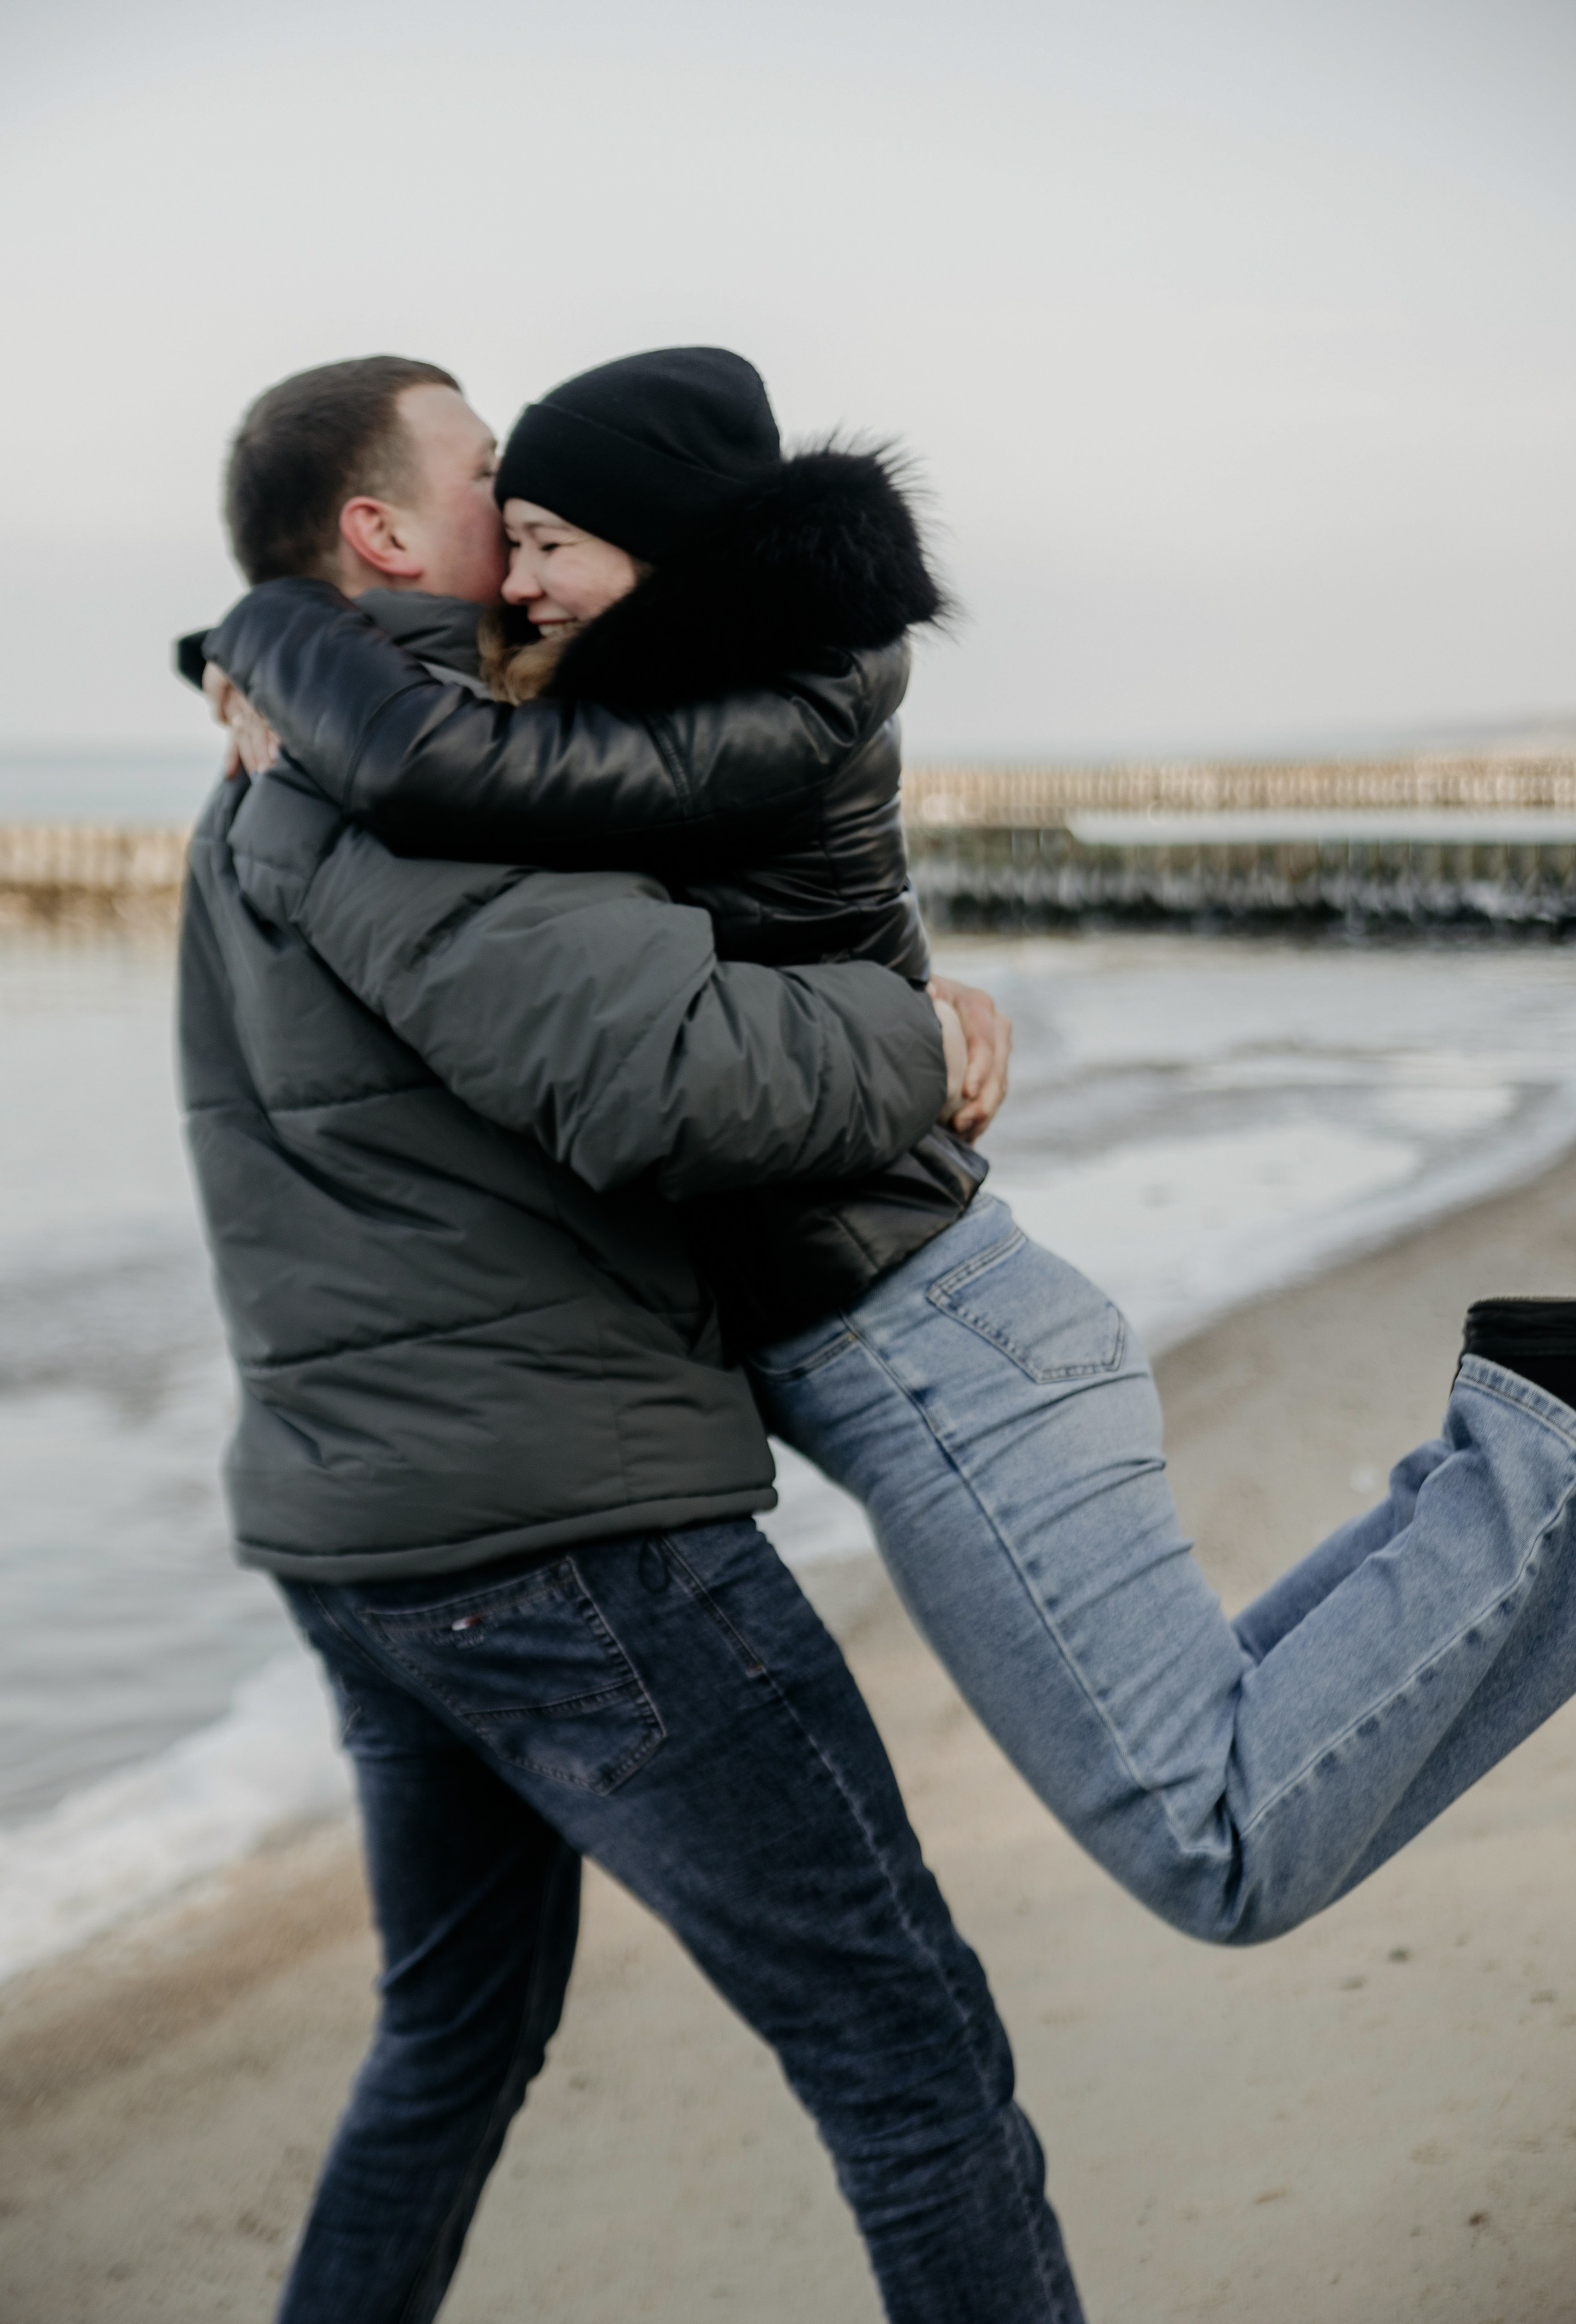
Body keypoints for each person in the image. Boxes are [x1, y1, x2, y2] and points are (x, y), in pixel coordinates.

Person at [204, 344, 1576, 1960]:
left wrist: (270, 634)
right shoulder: (670, 690)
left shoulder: (750, 689)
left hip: (925, 1341)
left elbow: (446, 779)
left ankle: (1564, 1440)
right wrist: (268, 666)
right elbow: (485, 792)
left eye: (547, 544)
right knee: (1230, 1732)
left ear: (662, 549)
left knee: (1217, 1843)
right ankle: (1544, 1450)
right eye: (504, 538)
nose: (518, 588)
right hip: (930, 1329)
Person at [178, 355, 1083, 2323]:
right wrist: (912, 1037)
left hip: (366, 1530)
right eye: (486, 478)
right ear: (380, 535)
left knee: (450, 2050)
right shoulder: (385, 784)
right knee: (906, 2055)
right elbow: (664, 1082)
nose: (518, 523)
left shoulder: (281, 764)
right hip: (566, 1540)